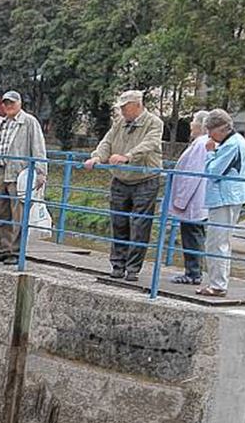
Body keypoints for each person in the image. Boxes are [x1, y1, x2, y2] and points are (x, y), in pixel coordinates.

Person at [82, 89, 164, 282]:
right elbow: (107, 142)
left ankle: (133, 268)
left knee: (139, 225)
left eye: (125, 108)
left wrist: (127, 157)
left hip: (144, 179)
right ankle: (117, 265)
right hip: (120, 179)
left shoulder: (154, 123)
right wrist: (96, 157)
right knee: (118, 222)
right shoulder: (119, 123)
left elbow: (149, 145)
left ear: (137, 105)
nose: (122, 112)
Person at [0, 90, 46, 263]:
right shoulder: (2, 122)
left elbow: (38, 146)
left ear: (19, 103)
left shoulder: (29, 122)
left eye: (12, 103)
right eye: (6, 103)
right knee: (1, 212)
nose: (8, 106)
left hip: (19, 173)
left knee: (18, 214)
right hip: (1, 171)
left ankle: (15, 251)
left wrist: (41, 172)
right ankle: (4, 248)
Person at [199, 108, 245, 298]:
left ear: (220, 129)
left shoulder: (231, 145)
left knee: (216, 242)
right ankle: (218, 283)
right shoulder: (237, 142)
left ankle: (218, 285)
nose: (209, 135)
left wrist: (210, 153)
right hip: (230, 196)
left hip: (224, 198)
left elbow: (213, 172)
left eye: (210, 131)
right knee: (220, 241)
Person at [169, 110, 211, 285]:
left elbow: (192, 174)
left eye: (193, 121)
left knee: (192, 234)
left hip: (194, 199)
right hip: (198, 198)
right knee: (195, 234)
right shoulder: (203, 143)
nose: (191, 124)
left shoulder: (200, 144)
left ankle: (193, 273)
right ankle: (194, 271)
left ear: (201, 125)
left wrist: (180, 200)